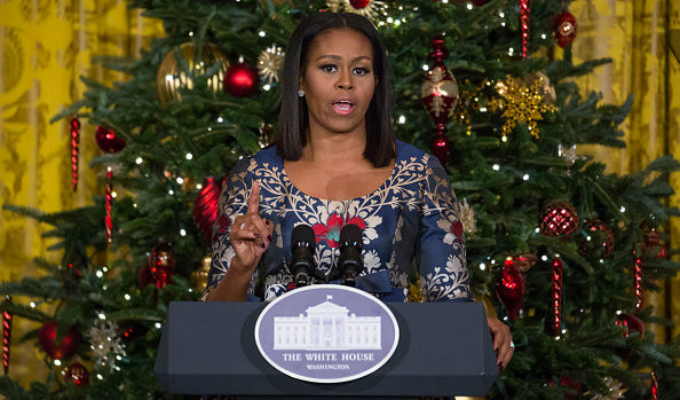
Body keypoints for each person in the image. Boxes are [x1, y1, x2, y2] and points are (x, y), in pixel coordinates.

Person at [203, 12, 514, 370]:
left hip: (393, 374)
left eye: (361, 70)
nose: (346, 83)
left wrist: (474, 329)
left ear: (377, 82)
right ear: (300, 79)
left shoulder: (419, 174)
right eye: (329, 68)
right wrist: (241, 269)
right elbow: (214, 327)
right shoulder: (254, 178)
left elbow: (449, 300)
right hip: (274, 376)